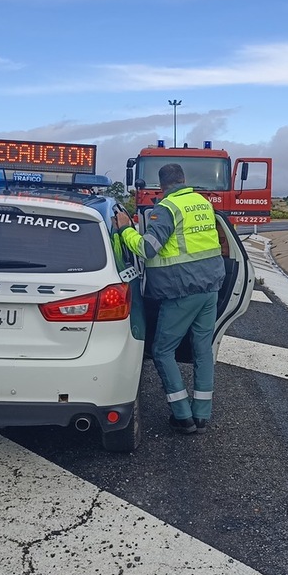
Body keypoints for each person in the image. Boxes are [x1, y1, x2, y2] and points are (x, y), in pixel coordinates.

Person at [114, 163, 225, 434]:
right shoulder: (201, 203)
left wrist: (126, 229)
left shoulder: (166, 208)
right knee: (202, 351)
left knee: (163, 350)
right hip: (210, 288)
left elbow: (147, 249)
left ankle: (182, 415)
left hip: (180, 290)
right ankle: (201, 414)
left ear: (161, 185)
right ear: (184, 180)